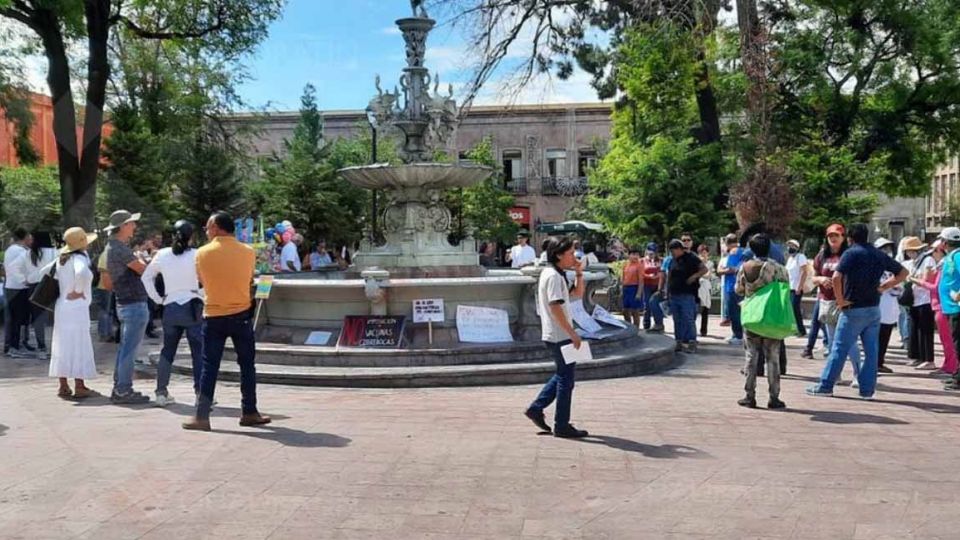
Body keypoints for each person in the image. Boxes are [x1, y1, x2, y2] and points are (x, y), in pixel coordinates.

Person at [183, 212, 270, 431]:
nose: (206, 231)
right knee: (247, 365)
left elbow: (201, 280)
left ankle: (202, 416)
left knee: (209, 366)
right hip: (241, 315)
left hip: (213, 315)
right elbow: (250, 278)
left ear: (216, 227)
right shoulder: (248, 252)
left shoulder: (202, 253)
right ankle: (249, 411)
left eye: (207, 227)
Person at [806, 223, 907, 399]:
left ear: (850, 238)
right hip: (873, 308)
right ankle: (867, 390)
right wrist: (884, 286)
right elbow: (903, 272)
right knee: (871, 351)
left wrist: (840, 301)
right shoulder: (878, 254)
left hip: (853, 308)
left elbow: (837, 277)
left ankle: (826, 385)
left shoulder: (851, 253)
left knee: (838, 348)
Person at [524, 235, 588, 439]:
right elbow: (555, 306)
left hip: (558, 333)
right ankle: (561, 423)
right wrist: (572, 332)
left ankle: (537, 407)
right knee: (566, 379)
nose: (574, 256)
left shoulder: (557, 274)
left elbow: (576, 294)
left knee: (563, 374)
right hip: (559, 335)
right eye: (570, 253)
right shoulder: (552, 275)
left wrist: (578, 273)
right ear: (559, 255)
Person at [142, 220, 204, 407]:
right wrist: (201, 294)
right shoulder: (197, 255)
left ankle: (161, 392)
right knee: (198, 353)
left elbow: (146, 277)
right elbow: (207, 280)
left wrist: (158, 299)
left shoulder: (162, 255)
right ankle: (201, 393)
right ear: (191, 237)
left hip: (170, 307)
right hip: (193, 306)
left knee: (167, 351)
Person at [735, 233, 788, 409]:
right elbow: (785, 289)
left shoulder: (745, 267)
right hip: (772, 318)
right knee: (773, 357)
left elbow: (739, 289)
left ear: (752, 249)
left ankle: (749, 396)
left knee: (751, 357)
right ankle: (774, 397)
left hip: (751, 317)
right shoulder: (779, 268)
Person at [49, 227, 101, 399]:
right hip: (76, 306)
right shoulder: (80, 258)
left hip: (62, 306)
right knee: (79, 343)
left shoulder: (61, 259)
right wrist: (79, 290)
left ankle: (63, 385)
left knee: (62, 343)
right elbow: (81, 273)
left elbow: (49, 276)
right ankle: (80, 385)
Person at [106, 209, 151, 404]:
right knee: (129, 349)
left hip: (126, 302)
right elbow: (142, 269)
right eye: (131, 223)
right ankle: (123, 389)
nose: (134, 226)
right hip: (133, 303)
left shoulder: (114, 247)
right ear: (123, 226)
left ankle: (121, 387)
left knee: (126, 348)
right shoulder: (120, 249)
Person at [811, 224, 861, 383]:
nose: (833, 238)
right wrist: (820, 279)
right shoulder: (821, 256)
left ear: (843, 238)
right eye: (830, 236)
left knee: (850, 341)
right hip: (827, 302)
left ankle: (858, 374)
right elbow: (813, 277)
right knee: (832, 342)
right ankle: (835, 374)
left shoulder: (849, 255)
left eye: (837, 235)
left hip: (845, 303)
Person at [911, 240, 957, 375]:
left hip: (942, 306)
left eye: (935, 251)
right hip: (938, 305)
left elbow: (935, 287)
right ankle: (948, 364)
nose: (932, 254)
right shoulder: (941, 266)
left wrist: (919, 281)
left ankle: (951, 366)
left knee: (948, 339)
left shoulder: (944, 267)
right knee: (945, 339)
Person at [16, 231, 57, 357]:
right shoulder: (54, 252)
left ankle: (42, 348)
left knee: (38, 319)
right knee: (56, 318)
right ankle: (57, 347)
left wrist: (26, 279)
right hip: (50, 285)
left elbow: (19, 269)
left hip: (33, 287)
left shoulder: (28, 254)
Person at [901, 236, 937, 370]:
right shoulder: (911, 262)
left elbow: (927, 279)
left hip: (925, 300)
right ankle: (916, 356)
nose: (910, 253)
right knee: (914, 329)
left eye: (912, 250)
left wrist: (912, 279)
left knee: (926, 331)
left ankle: (929, 359)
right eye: (908, 251)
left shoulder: (928, 260)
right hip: (914, 300)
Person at [665, 238, 707, 353]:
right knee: (677, 319)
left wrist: (694, 277)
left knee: (688, 319)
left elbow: (704, 269)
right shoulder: (672, 261)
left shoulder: (691, 258)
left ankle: (692, 342)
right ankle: (678, 341)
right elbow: (669, 276)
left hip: (687, 293)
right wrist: (667, 292)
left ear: (679, 249)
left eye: (674, 250)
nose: (672, 253)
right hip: (674, 293)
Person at [874, 238, 902, 374]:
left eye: (888, 248)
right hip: (877, 306)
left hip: (890, 307)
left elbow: (899, 284)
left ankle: (880, 362)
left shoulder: (893, 267)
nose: (887, 251)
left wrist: (895, 287)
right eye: (883, 248)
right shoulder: (873, 266)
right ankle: (873, 362)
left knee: (885, 337)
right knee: (875, 338)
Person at [3, 228, 32, 358]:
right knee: (17, 318)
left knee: (16, 318)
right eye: (29, 236)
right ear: (24, 237)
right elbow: (15, 268)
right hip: (18, 288)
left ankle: (17, 344)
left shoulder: (11, 249)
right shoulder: (20, 251)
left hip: (13, 287)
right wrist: (23, 280)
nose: (31, 239)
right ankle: (14, 346)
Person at [937, 227, 960, 390]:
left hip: (956, 307)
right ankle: (957, 375)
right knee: (956, 343)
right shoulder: (951, 257)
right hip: (950, 308)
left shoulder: (958, 256)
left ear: (946, 242)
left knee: (959, 343)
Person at [717, 234, 744, 346]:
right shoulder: (743, 252)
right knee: (738, 312)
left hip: (732, 286)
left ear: (727, 243)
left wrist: (724, 270)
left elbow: (732, 269)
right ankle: (737, 334)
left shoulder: (734, 252)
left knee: (734, 312)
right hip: (740, 286)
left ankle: (738, 335)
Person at [785, 239, 809, 337]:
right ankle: (793, 329)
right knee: (790, 309)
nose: (789, 248)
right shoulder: (790, 259)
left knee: (795, 308)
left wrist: (800, 286)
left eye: (792, 246)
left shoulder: (801, 257)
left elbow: (804, 271)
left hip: (797, 287)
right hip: (790, 287)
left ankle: (801, 330)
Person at [95, 241, 115, 342]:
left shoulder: (109, 254)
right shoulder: (105, 255)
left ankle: (109, 332)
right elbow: (103, 271)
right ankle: (104, 333)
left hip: (110, 287)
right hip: (104, 288)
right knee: (104, 311)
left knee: (109, 311)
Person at [641, 243, 664, 332]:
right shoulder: (642, 261)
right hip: (647, 285)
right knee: (647, 304)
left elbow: (663, 271)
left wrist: (658, 276)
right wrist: (648, 276)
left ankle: (659, 324)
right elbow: (640, 273)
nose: (651, 254)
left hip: (657, 285)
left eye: (653, 252)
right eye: (649, 251)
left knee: (657, 305)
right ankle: (646, 324)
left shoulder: (660, 260)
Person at [620, 248, 644, 328]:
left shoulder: (639, 265)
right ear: (629, 255)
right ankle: (628, 326)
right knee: (625, 310)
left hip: (634, 288)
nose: (635, 256)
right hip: (626, 288)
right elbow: (623, 278)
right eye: (633, 254)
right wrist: (621, 290)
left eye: (637, 254)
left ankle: (636, 328)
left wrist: (639, 293)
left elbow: (641, 281)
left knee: (635, 311)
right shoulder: (625, 265)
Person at [696, 244, 714, 337]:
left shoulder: (710, 263)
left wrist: (700, 274)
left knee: (705, 309)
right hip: (697, 286)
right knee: (695, 308)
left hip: (706, 287)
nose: (703, 255)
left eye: (705, 253)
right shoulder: (696, 263)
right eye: (701, 253)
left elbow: (708, 275)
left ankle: (704, 330)